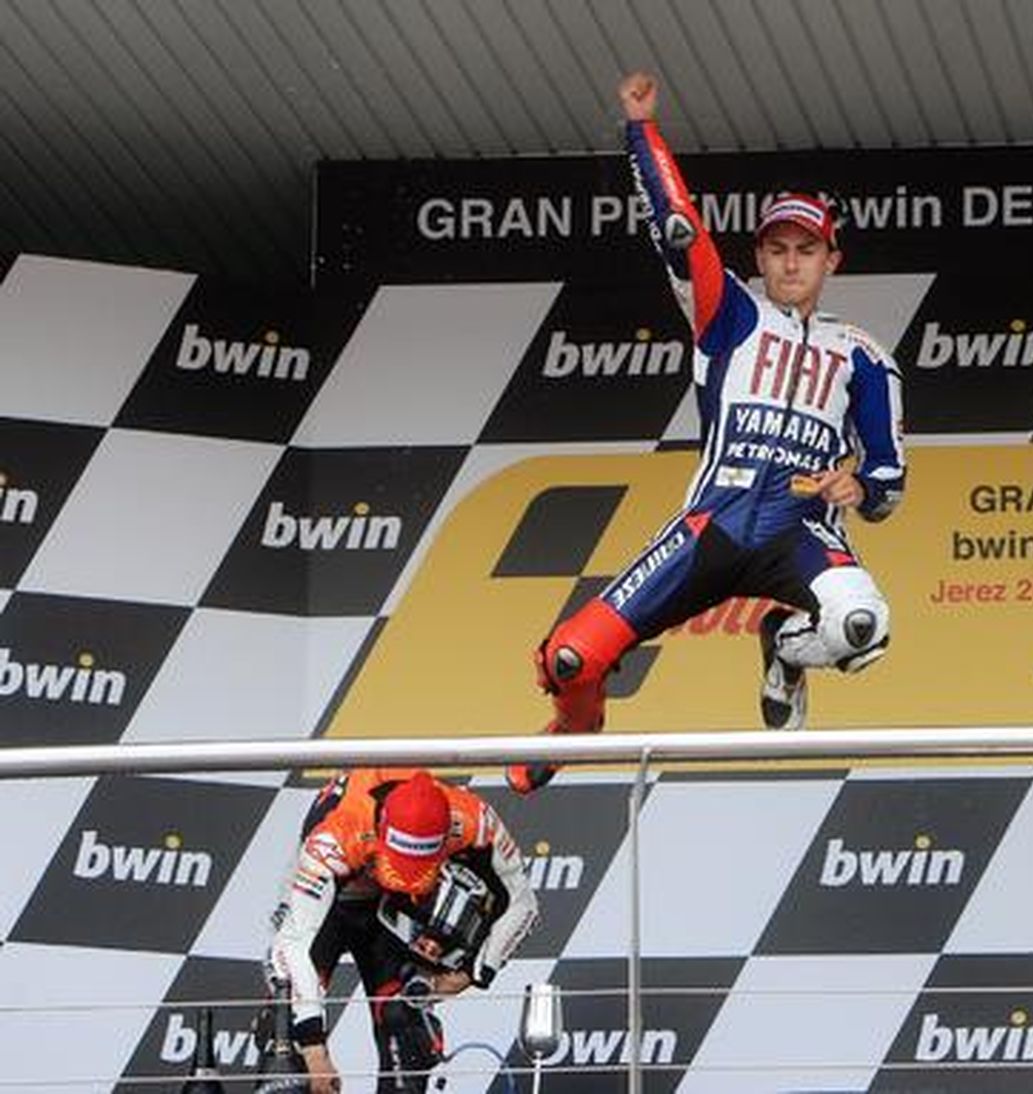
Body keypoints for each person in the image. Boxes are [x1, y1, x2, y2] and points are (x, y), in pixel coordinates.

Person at [507, 71, 906, 792]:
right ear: (760, 258)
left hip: (801, 533)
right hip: (711, 528)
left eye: (806, 249)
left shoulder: (865, 355)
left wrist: (862, 486)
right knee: (568, 659)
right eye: (778, 248)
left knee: (861, 626)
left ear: (831, 260)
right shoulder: (729, 315)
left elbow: (887, 481)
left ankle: (786, 645)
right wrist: (642, 130)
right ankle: (575, 728)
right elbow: (678, 226)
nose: (790, 262)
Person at [266, 768, 538, 1093]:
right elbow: (293, 943)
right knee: (284, 1034)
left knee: (406, 1029)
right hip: (326, 905)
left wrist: (473, 972)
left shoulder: (472, 820)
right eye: (399, 865)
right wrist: (313, 1049)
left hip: (392, 910)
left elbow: (523, 903)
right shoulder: (338, 833)